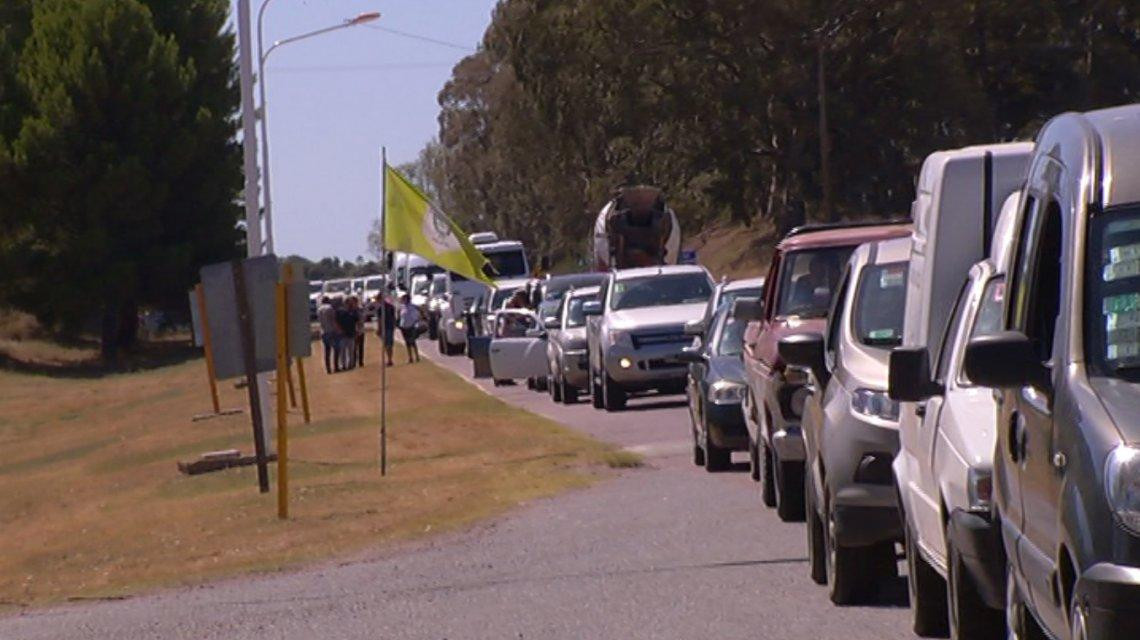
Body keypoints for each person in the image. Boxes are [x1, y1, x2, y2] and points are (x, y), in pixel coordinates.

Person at [335, 297, 360, 371]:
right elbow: (336, 321)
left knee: (351, 351)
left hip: (351, 333)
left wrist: (357, 331)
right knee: (342, 351)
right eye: (349, 303)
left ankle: (351, 364)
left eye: (351, 303)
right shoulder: (340, 311)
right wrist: (339, 329)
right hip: (342, 334)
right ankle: (343, 365)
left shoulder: (354, 311)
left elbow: (357, 321)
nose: (350, 304)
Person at [317, 296, 340, 373]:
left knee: (327, 351)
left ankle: (328, 368)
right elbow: (333, 320)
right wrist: (337, 329)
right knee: (336, 349)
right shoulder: (330, 308)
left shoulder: (319, 309)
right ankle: (336, 366)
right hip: (331, 331)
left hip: (323, 331)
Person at [397, 294, 422, 363]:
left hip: (411, 326)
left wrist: (415, 322)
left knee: (412, 341)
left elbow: (417, 315)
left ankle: (417, 356)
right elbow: (400, 316)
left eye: (404, 299)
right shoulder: (402, 307)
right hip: (403, 327)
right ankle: (410, 357)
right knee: (407, 342)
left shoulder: (413, 307)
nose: (402, 300)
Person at [375, 293, 396, 366]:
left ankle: (389, 359)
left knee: (387, 344)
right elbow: (394, 318)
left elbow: (380, 320)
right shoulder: (391, 307)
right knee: (389, 344)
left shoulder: (380, 309)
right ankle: (390, 359)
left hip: (385, 327)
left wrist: (379, 329)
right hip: (390, 327)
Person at [352, 296, 366, 367]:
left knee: (360, 347)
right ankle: (354, 361)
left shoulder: (360, 309)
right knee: (354, 347)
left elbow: (362, 319)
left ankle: (360, 361)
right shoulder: (351, 310)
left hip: (360, 330)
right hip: (354, 330)